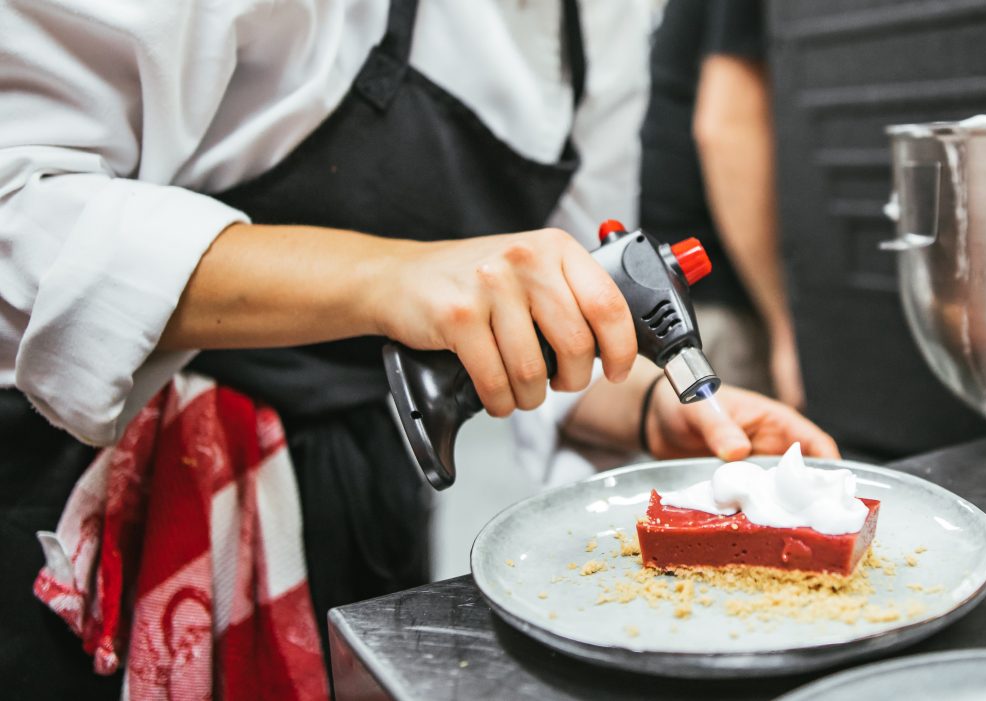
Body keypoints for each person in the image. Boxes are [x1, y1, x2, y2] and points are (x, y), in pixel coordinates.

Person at [0, 0, 838, 696]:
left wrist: (654, 411)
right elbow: (19, 209)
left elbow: (561, 309)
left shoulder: (604, 21)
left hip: (376, 486)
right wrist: (388, 279)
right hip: (104, 504)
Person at [641, 0, 805, 409]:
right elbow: (726, 130)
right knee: (739, 462)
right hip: (720, 304)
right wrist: (785, 326)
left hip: (694, 288)